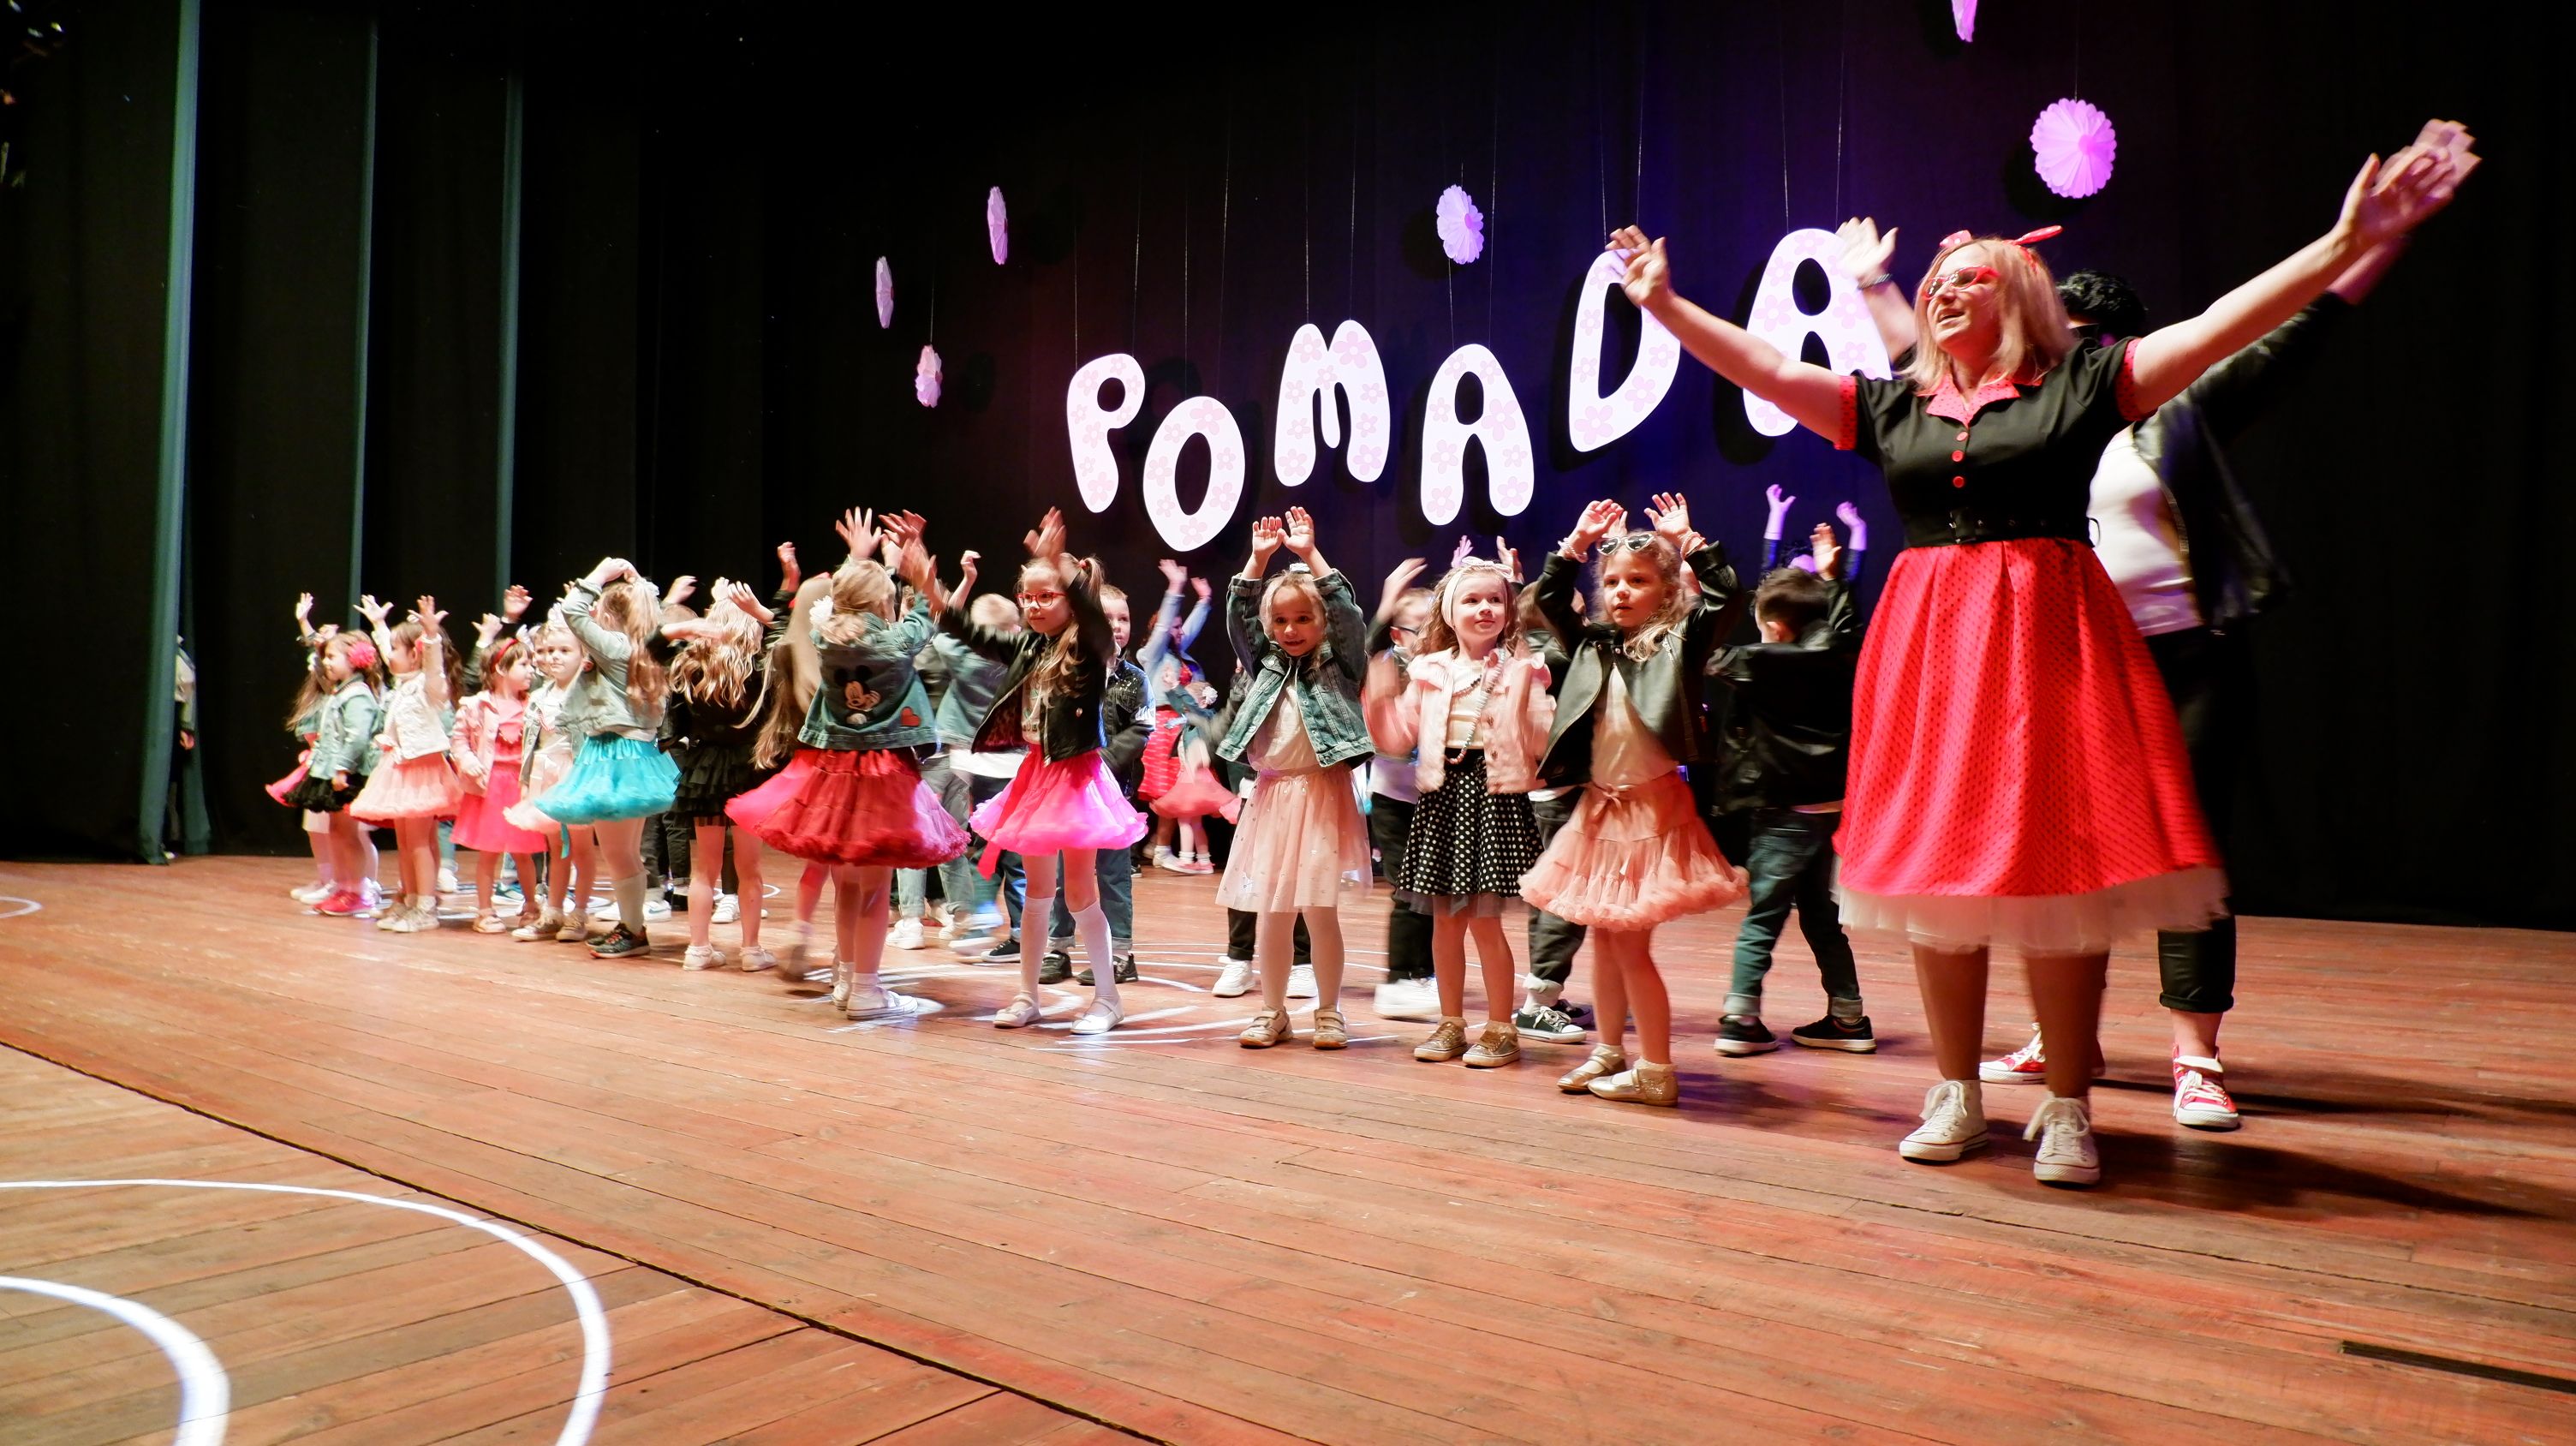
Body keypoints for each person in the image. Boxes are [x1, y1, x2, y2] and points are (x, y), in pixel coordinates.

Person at [1608, 121, 2472, 1182]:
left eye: (1967, 278)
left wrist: (2343, 244)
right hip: (1932, 657)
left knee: (2058, 874)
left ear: (2018, 294)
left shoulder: (2084, 384)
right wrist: (1663, 304)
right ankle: (1954, 1089)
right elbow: (1771, 367)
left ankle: (2067, 1101)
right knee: (1939, 874)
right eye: (1936, 282)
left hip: (2047, 646)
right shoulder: (1893, 405)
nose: (1943, 291)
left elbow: (2219, 327)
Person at [1522, 495, 1750, 1107]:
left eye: (1639, 581)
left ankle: (1655, 1068)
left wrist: (1690, 541)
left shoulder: (1679, 641)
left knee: (1630, 946)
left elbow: (1728, 599)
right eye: (1613, 582)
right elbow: (1549, 600)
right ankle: (1609, 1050)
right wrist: (1575, 544)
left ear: (1668, 590)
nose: (1622, 591)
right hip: (1600, 813)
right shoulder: (1593, 644)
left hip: (1651, 814)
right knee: (1603, 938)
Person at [730, 514, 967, 1017]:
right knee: (876, 890)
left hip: (834, 774)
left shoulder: (825, 637)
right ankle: (865, 989)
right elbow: (929, 614)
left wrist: (860, 560)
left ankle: (846, 980)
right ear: (884, 603)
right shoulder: (895, 641)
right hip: (883, 776)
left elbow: (838, 604)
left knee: (848, 885)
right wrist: (916, 570)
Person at [939, 508, 1149, 1034]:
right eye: (1027, 597)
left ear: (1069, 599)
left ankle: (1108, 999)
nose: (1033, 605)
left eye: (1045, 596)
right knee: (1037, 893)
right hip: (1036, 774)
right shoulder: (1030, 646)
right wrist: (927, 582)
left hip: (1075, 778)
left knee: (1079, 893)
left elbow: (1094, 619)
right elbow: (968, 631)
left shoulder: (1088, 646)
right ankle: (1026, 995)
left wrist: (1061, 566)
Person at [1364, 553, 1547, 1068]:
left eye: (1495, 600)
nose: (1484, 609)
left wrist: (1529, 690)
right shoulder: (1429, 669)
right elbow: (1397, 738)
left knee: (1486, 924)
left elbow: (1539, 739)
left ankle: (1501, 1027)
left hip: (1493, 798)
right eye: (1472, 600)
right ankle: (1451, 1022)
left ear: (1509, 610)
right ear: (1449, 611)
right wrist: (1379, 692)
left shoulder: (1522, 668)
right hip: (1443, 799)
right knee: (1445, 922)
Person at [1707, 521, 1871, 1055]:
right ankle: (1848, 1018)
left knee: (1763, 915)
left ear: (1774, 628)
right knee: (1822, 916)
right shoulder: (1838, 656)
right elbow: (1844, 630)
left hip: (1782, 811)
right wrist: (1834, 579)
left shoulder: (1760, 663)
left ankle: (1741, 1017)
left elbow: (1706, 654)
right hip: (1829, 809)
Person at [1219, 506, 1374, 1050]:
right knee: (1273, 912)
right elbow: (1239, 617)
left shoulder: (1341, 661)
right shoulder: (1264, 663)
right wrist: (1257, 562)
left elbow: (1348, 613)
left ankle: (1329, 1011)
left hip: (1321, 794)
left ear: (1321, 623)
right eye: (1281, 621)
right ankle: (1272, 1010)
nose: (1290, 630)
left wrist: (1309, 554)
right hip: (1273, 795)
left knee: (1320, 910)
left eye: (1303, 619)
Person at [528, 560, 683, 959]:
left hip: (615, 756)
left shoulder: (616, 648)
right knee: (625, 853)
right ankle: (632, 925)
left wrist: (598, 575)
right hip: (630, 754)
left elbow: (572, 611)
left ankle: (633, 931)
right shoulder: (641, 649)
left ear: (611, 617)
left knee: (617, 854)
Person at [1040, 576, 1152, 988]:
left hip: (1113, 795)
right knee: (1062, 875)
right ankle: (1058, 949)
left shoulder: (1135, 679)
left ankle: (1121, 955)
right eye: (1108, 619)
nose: (1117, 627)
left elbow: (1142, 728)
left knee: (1112, 876)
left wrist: (1100, 763)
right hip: (1068, 795)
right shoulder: (1068, 671)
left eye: (1124, 619)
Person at [660, 583, 779, 971]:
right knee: (750, 869)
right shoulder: (761, 668)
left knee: (704, 868)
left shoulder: (691, 666)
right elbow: (792, 638)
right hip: (749, 770)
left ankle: (698, 949)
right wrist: (763, 612)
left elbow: (649, 648)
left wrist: (682, 627)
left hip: (703, 769)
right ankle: (751, 951)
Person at [349, 596, 468, 933]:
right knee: (406, 842)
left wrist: (430, 636)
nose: (388, 656)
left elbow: (433, 666)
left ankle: (425, 907)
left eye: (396, 651)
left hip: (422, 770)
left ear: (414, 655)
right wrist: (378, 625)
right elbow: (389, 650)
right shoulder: (403, 684)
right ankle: (410, 898)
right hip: (400, 768)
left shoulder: (429, 686)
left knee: (418, 842)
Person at [1362, 564, 1440, 1020]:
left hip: (1435, 797)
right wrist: (1389, 599)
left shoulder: (1443, 671)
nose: (1429, 635)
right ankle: (1398, 980)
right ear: (1397, 634)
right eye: (1419, 627)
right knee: (1409, 889)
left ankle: (1422, 974)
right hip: (1395, 799)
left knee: (1431, 890)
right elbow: (1394, 742)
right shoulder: (1385, 669)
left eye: (1436, 624)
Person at [448, 634, 552, 934]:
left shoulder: (533, 705)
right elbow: (459, 740)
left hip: (520, 786)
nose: (531, 670)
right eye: (523, 665)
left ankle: (531, 906)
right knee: (489, 852)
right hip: (490, 786)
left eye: (531, 664)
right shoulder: (476, 705)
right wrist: (468, 761)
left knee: (523, 851)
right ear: (501, 669)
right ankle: (485, 910)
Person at [504, 620, 599, 945]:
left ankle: (580, 912)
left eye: (563, 650)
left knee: (581, 846)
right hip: (545, 775)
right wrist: (525, 781)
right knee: (555, 846)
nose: (553, 657)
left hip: (575, 773)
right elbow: (531, 743)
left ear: (583, 654)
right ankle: (553, 911)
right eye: (546, 651)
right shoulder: (539, 696)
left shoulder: (587, 692)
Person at [283, 630, 385, 918]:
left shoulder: (358, 694)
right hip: (332, 771)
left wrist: (342, 768)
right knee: (336, 832)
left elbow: (357, 737)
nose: (326, 662)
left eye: (331, 656)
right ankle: (342, 886)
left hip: (347, 774)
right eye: (325, 656)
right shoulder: (341, 691)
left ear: (354, 660)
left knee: (349, 834)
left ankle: (357, 891)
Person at [1137, 559, 1217, 873]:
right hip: (1163, 728)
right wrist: (1175, 589)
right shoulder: (1152, 656)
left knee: (1180, 790)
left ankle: (1158, 845)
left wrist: (1205, 600)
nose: (1179, 630)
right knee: (1170, 790)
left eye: (1179, 626)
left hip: (1184, 728)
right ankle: (1160, 849)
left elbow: (1189, 629)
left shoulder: (1181, 656)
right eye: (1173, 625)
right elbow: (1164, 628)